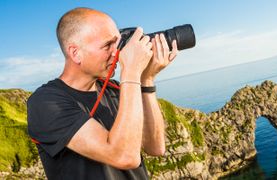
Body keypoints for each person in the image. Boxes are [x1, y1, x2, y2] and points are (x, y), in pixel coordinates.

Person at [27, 7, 178, 180]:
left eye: (118, 43)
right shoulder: (45, 102)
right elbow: (124, 157)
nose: (117, 53)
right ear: (75, 53)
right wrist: (131, 72)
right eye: (108, 45)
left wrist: (146, 80)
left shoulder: (115, 89)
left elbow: (155, 148)